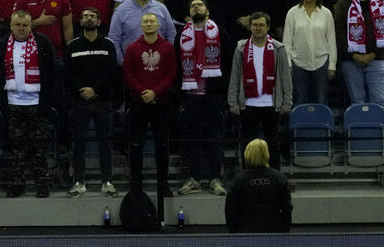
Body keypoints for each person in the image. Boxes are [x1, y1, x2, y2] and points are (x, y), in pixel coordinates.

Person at [0, 10, 55, 198]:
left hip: (36, 103)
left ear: (31, 26)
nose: (21, 28)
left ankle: (42, 184)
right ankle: (17, 184)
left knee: (39, 147)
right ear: (11, 26)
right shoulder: (2, 44)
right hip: (13, 103)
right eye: (17, 25)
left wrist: (46, 102)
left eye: (25, 25)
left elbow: (51, 73)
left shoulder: (42, 43)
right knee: (17, 148)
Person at [65, 6, 118, 198]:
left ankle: (107, 181)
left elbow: (112, 72)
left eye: (92, 16)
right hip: (79, 101)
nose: (88, 18)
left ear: (99, 21)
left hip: (102, 101)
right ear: (80, 21)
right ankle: (79, 182)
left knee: (105, 142)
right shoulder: (72, 46)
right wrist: (83, 91)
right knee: (79, 142)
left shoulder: (108, 45)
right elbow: (68, 74)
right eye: (85, 16)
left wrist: (95, 90)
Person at [228, 11, 293, 169]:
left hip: (272, 104)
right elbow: (235, 76)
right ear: (250, 27)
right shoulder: (241, 48)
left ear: (268, 27)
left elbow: (285, 77)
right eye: (255, 25)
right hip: (248, 104)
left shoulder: (278, 48)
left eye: (261, 25)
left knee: (272, 144)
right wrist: (232, 102)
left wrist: (287, 101)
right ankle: (247, 176)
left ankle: (275, 176)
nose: (258, 28)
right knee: (247, 144)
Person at [176, 0, 228, 196]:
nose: (196, 7)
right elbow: (176, 64)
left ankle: (215, 178)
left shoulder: (220, 32)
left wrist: (222, 89)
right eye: (192, 5)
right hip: (191, 94)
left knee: (215, 136)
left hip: (212, 94)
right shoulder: (181, 35)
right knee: (192, 138)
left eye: (200, 4)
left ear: (208, 11)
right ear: (189, 12)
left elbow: (228, 62)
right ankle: (194, 178)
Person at [124, 12, 177, 195]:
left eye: (151, 22)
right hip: (138, 103)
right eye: (145, 22)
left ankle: (163, 184)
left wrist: (155, 92)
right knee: (136, 145)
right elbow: (128, 74)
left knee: (162, 145)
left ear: (158, 25)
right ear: (141, 26)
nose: (148, 24)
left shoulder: (168, 48)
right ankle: (136, 185)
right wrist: (143, 92)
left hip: (161, 103)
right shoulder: (132, 48)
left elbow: (171, 73)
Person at [224, 138, 292, 231]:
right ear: (266, 154)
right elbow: (287, 207)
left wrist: (233, 231)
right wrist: (284, 229)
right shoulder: (279, 178)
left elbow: (230, 209)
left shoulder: (239, 180)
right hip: (273, 229)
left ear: (247, 154)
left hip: (245, 231)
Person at [334, 0, 384, 106]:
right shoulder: (342, 5)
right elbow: (339, 33)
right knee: (357, 101)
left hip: (376, 59)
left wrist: (374, 54)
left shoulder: (382, 5)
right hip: (351, 61)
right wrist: (354, 55)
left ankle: (378, 118)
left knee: (379, 101)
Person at [284, 0, 337, 105]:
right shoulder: (292, 12)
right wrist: (288, 64)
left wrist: (332, 65)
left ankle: (321, 117)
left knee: (321, 100)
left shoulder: (326, 13)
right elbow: (287, 41)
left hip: (321, 62)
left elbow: (331, 40)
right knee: (299, 100)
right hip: (298, 62)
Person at [109, 0, 175, 61]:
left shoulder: (162, 8)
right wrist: (122, 63)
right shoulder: (121, 10)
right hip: (131, 63)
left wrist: (169, 58)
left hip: (161, 62)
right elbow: (114, 39)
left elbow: (171, 35)